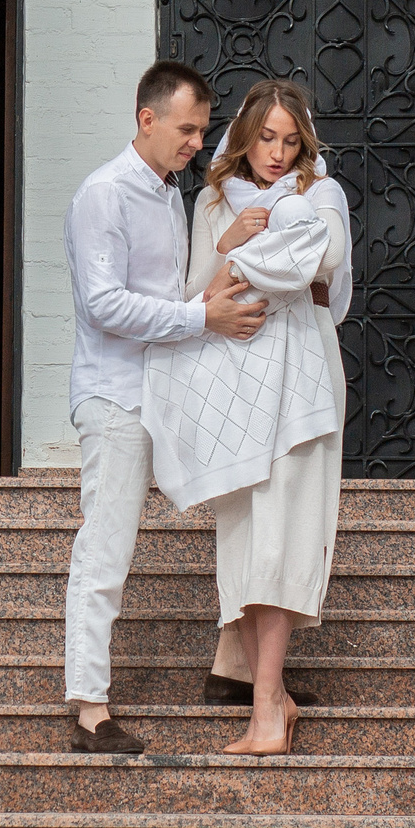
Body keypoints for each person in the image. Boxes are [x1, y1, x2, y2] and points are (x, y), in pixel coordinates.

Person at [62, 60, 265, 754]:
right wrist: (200, 319)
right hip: (116, 396)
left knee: (247, 501)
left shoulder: (171, 192)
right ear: (146, 119)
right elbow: (105, 304)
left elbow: (180, 290)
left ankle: (237, 669)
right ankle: (90, 707)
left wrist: (227, 255)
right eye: (186, 128)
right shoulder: (104, 194)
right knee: (107, 547)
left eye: (203, 130)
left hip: (170, 389)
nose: (195, 142)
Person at [143, 80, 349, 755]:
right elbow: (192, 296)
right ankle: (271, 698)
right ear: (245, 134)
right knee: (245, 537)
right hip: (230, 381)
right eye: (267, 138)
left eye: (291, 141)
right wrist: (231, 244)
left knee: (283, 535)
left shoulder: (320, 193)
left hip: (302, 379)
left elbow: (323, 263)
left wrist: (250, 261)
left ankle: (265, 708)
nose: (278, 153)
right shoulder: (208, 202)